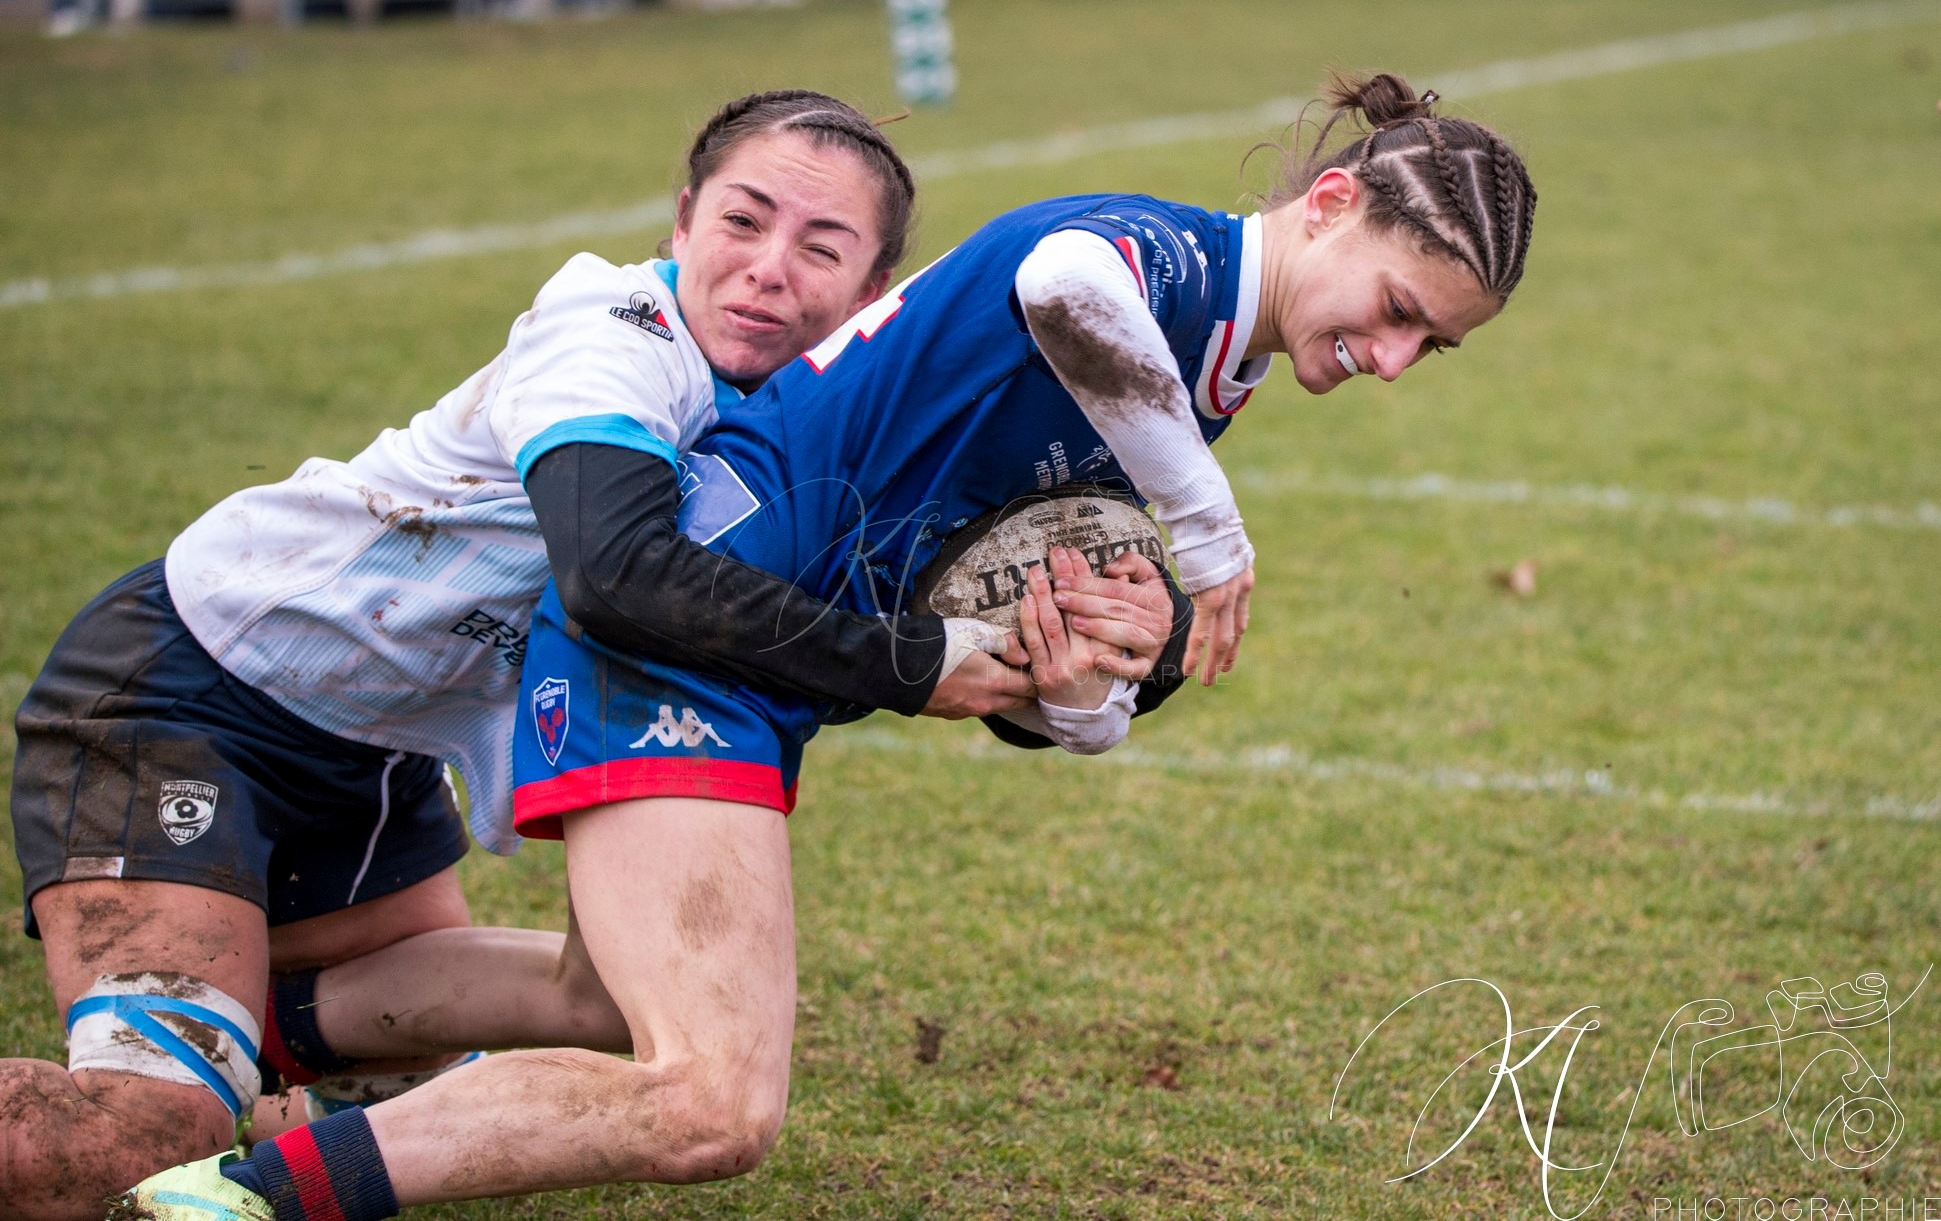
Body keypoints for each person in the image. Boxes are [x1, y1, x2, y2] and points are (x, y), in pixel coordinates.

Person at [121, 70, 1538, 1217]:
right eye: (1400, 308)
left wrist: (1092, 685)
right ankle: (234, 1196)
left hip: (743, 667)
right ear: (1329, 203)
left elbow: (999, 605)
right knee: (709, 1103)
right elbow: (1058, 276)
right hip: (685, 640)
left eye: (1437, 346)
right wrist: (1208, 530)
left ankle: (281, 1030)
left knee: (595, 1003)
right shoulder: (1166, 263)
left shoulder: (1203, 371)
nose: (1397, 359)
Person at [3, 88, 1094, 1221]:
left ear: (873, 296)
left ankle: (245, 1020)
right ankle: (199, 1055)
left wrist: (1082, 662)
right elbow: (614, 573)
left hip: (375, 766)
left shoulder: (811, 429)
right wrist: (910, 665)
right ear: (681, 223)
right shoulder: (612, 330)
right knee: (144, 1132)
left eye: (821, 248)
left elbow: (871, 616)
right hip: (190, 695)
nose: (770, 267)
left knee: (616, 1014)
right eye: (741, 221)